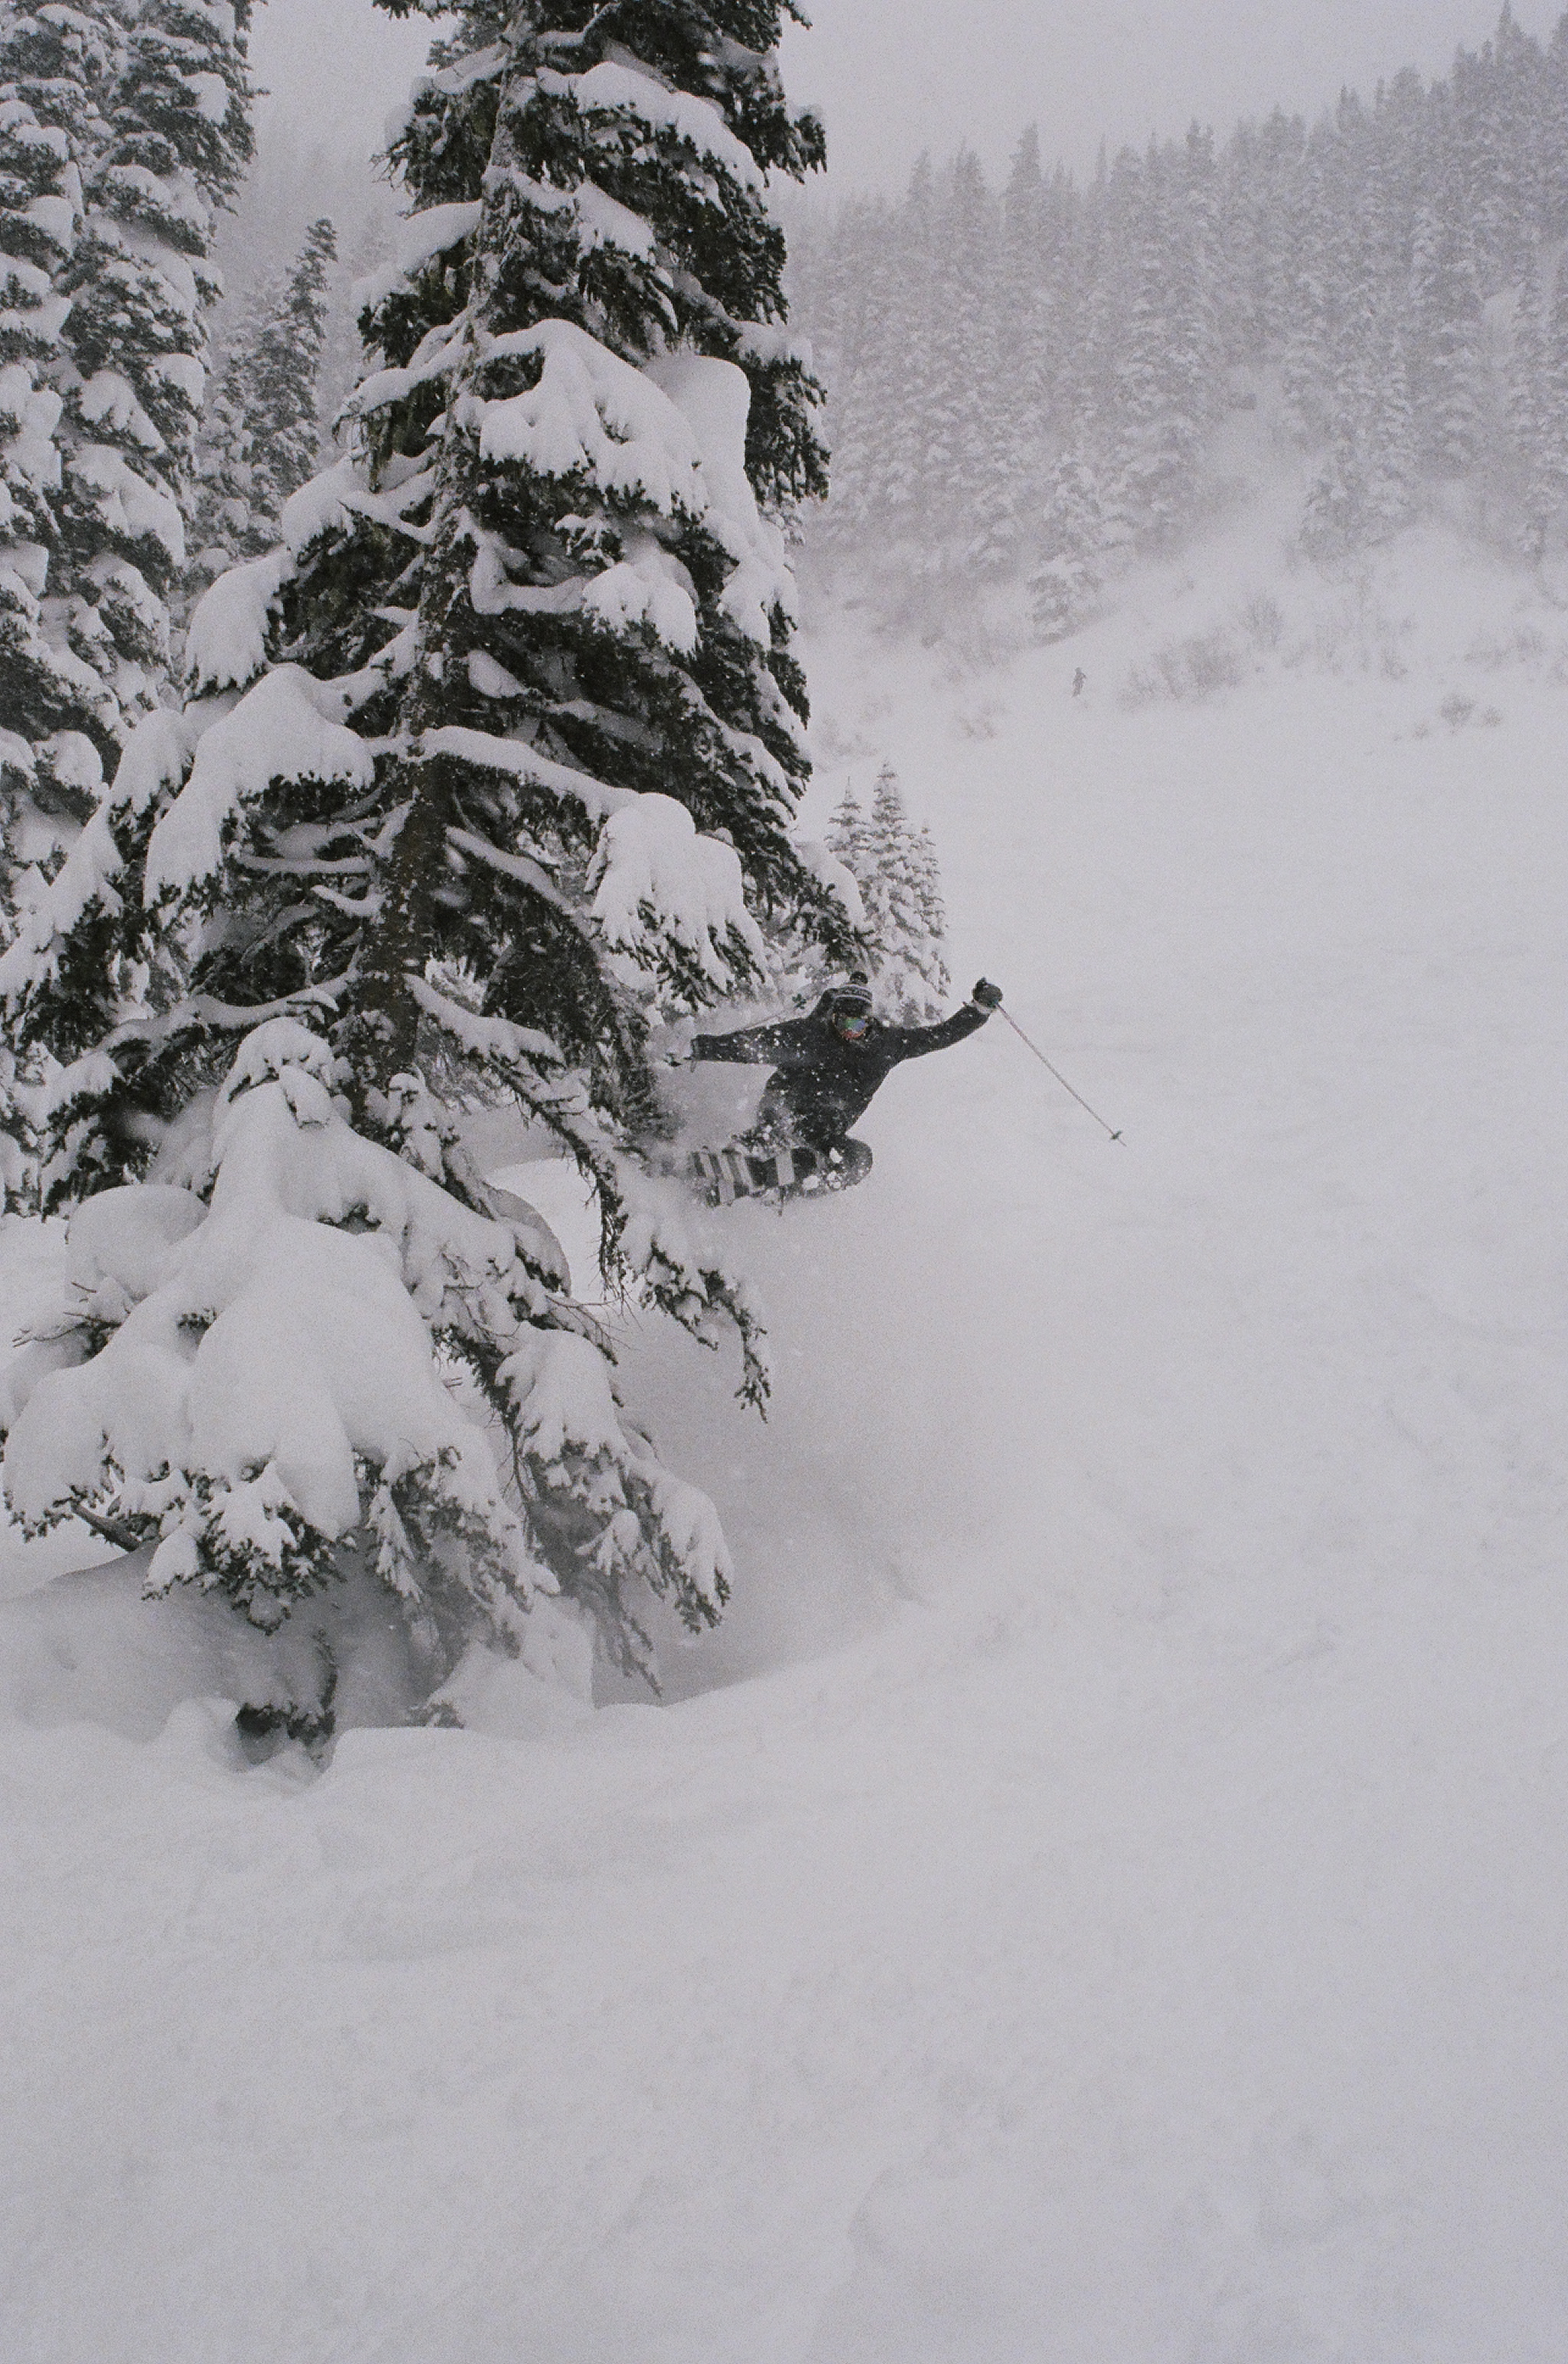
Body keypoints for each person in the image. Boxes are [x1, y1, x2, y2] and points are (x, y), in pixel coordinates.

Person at [681, 971, 1004, 1202]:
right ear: (833, 1017)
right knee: (784, 1123)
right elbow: (750, 1046)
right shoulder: (811, 1035)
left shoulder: (887, 1046)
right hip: (786, 1107)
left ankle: (796, 1185)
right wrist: (701, 1047)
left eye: (857, 1023)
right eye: (842, 1022)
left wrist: (978, 1011)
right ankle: (749, 1151)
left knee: (858, 1158)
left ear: (869, 1020)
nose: (849, 1031)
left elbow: (939, 1036)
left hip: (827, 1131)